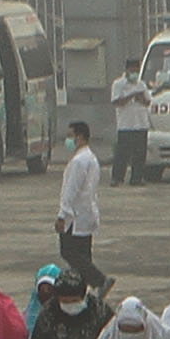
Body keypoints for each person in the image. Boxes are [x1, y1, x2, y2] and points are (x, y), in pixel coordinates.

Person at [56, 120, 102, 289]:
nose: (67, 140)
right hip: (87, 213)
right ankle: (81, 288)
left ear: (80, 137)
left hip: (74, 215)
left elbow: (70, 191)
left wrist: (62, 215)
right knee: (83, 254)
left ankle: (99, 280)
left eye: (70, 136)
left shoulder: (78, 162)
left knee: (69, 252)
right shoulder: (91, 158)